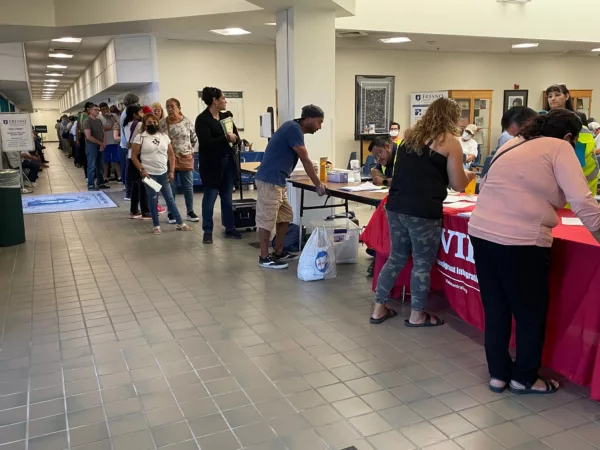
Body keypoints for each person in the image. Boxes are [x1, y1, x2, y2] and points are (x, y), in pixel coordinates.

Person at [469, 109, 600, 395]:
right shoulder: (560, 147)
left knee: (497, 308)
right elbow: (583, 201)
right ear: (569, 136)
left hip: (481, 233)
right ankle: (525, 378)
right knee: (529, 313)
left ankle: (498, 376)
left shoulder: (513, 142)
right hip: (521, 241)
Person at [372, 97, 474, 326]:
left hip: (396, 206)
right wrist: (470, 175)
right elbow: (458, 184)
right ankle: (417, 315)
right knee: (421, 264)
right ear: (451, 117)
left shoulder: (410, 137)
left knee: (396, 258)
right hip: (423, 211)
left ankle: (379, 308)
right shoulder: (450, 142)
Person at [254, 104, 327, 269]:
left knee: (285, 215)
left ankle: (279, 251)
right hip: (270, 181)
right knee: (266, 219)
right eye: (318, 122)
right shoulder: (294, 129)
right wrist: (318, 184)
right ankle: (264, 257)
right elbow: (305, 159)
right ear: (307, 119)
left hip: (278, 181)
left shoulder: (293, 128)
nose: (319, 127)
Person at [131, 114, 193, 235]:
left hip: (163, 173)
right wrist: (142, 170)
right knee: (153, 199)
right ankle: (156, 225)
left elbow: (171, 155)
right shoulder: (140, 137)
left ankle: (180, 223)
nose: (153, 124)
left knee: (170, 199)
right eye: (150, 122)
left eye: (155, 122)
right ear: (144, 124)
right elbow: (134, 156)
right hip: (149, 175)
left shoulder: (164, 136)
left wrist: (172, 171)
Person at [195, 87, 242, 244]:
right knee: (210, 197)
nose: (225, 101)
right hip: (212, 165)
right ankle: (207, 231)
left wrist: (235, 139)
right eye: (222, 98)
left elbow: (236, 136)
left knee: (227, 197)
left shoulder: (226, 117)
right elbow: (206, 143)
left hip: (228, 161)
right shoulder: (202, 119)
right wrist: (225, 137)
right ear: (214, 100)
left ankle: (230, 227)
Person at [546, 84, 599, 195]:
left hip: (575, 158)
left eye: (557, 95)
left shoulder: (578, 116)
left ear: (566, 97)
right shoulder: (544, 118)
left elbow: (582, 141)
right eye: (550, 96)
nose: (553, 99)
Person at [161, 98, 199, 223]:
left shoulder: (187, 122)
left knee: (188, 187)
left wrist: (189, 150)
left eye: (172, 106)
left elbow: (193, 138)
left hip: (185, 158)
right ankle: (171, 212)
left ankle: (190, 211)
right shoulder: (162, 123)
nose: (170, 109)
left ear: (179, 108)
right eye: (167, 107)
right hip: (168, 160)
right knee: (170, 188)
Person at [122, 105, 149, 219]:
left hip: (129, 156)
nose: (142, 113)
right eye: (140, 111)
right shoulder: (138, 124)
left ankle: (134, 210)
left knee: (135, 185)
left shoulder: (125, 124)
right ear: (135, 114)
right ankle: (145, 210)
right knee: (143, 185)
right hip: (138, 156)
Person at [83, 104, 109, 191]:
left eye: (98, 110)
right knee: (92, 165)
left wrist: (104, 143)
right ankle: (90, 184)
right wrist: (100, 143)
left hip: (100, 145)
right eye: (95, 110)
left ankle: (100, 182)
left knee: (100, 165)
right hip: (91, 146)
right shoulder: (87, 121)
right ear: (89, 110)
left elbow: (103, 133)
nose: (97, 111)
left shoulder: (99, 121)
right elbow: (88, 136)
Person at [120, 93, 140, 199]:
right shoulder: (135, 123)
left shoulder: (125, 115)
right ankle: (129, 192)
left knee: (129, 171)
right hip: (131, 148)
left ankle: (129, 191)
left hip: (127, 146)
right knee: (132, 172)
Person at [99, 102, 121, 182]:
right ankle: (105, 177)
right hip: (105, 142)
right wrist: (112, 127)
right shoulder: (99, 117)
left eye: (106, 109)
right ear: (100, 110)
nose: (105, 111)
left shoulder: (114, 115)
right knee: (105, 161)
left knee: (116, 160)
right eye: (103, 110)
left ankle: (119, 176)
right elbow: (101, 128)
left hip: (115, 141)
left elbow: (119, 124)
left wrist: (111, 118)